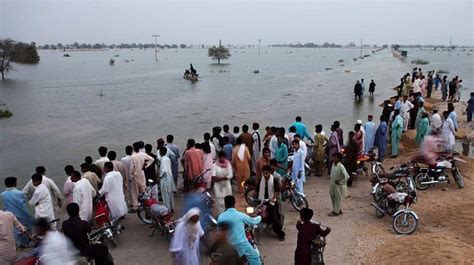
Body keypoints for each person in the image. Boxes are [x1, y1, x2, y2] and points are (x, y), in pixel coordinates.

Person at [218, 196, 262, 265]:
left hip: (228, 246)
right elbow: (253, 221)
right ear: (234, 203)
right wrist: (259, 216)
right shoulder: (240, 215)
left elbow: (219, 232)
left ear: (225, 204)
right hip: (241, 244)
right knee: (255, 257)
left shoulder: (221, 216)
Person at [2, 177, 33, 248]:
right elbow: (23, 203)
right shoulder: (19, 193)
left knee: (16, 230)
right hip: (21, 214)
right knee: (26, 227)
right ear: (14, 183)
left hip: (11, 215)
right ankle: (28, 243)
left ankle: (19, 245)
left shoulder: (3, 194)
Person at [256, 166, 285, 241]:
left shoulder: (274, 180)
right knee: (255, 216)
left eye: (266, 173)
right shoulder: (260, 180)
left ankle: (280, 234)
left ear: (269, 173)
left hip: (272, 202)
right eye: (263, 173)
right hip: (263, 201)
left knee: (275, 219)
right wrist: (252, 196)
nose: (265, 175)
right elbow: (257, 190)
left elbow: (277, 190)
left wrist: (273, 198)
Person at [158, 147, 177, 211]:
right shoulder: (168, 159)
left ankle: (167, 209)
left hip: (165, 179)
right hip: (170, 178)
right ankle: (172, 207)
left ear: (160, 153)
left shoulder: (162, 160)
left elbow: (164, 170)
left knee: (165, 195)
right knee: (170, 194)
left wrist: (160, 176)